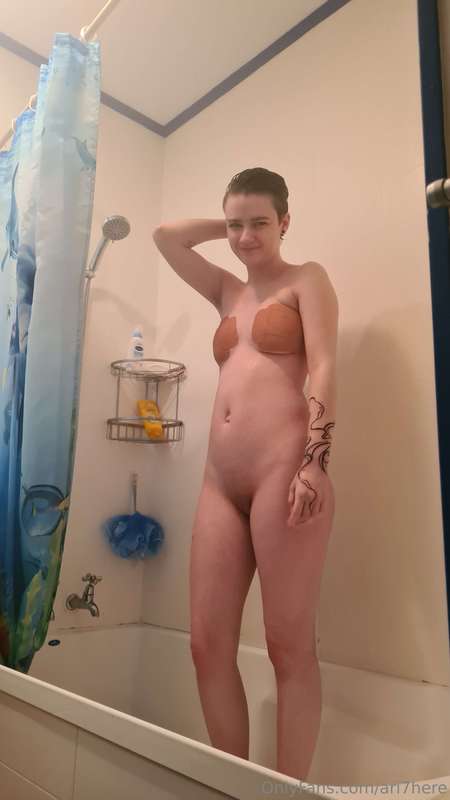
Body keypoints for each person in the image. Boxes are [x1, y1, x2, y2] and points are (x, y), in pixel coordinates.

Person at [152, 167, 338, 780]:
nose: (246, 236)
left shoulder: (306, 279)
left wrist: (315, 461)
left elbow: (324, 366)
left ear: (286, 222)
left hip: (286, 473)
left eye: (261, 222)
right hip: (220, 483)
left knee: (288, 648)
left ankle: (288, 793)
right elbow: (166, 236)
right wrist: (229, 223)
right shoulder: (227, 292)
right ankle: (234, 786)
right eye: (237, 225)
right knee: (206, 646)